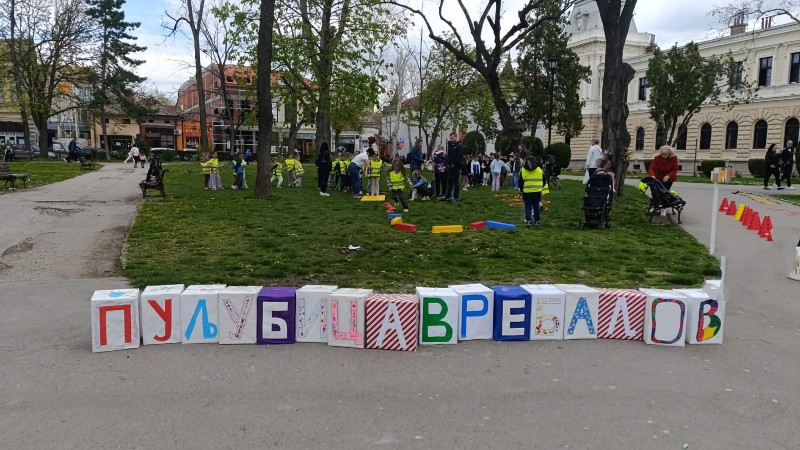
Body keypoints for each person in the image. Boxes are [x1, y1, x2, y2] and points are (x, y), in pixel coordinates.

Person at [520, 156, 547, 228]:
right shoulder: (539, 170)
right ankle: (537, 221)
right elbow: (544, 180)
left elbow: (520, 182)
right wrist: (540, 187)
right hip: (537, 192)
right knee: (536, 207)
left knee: (528, 207)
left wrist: (521, 190)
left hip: (527, 192)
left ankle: (528, 221)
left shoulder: (523, 170)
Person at [444, 132, 464, 203]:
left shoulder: (460, 145)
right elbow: (449, 155)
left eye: (452, 138)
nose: (451, 139)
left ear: (456, 137)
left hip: (456, 167)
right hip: (450, 166)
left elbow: (459, 156)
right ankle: (447, 196)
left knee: (455, 182)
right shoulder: (452, 145)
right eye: (450, 138)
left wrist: (454, 163)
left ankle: (456, 197)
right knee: (449, 181)